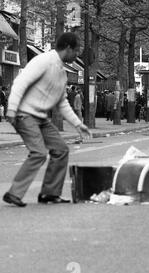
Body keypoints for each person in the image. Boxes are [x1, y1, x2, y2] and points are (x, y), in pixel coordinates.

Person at [3, 32, 91, 208]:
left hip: (41, 118)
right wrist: (12, 109)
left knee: (61, 150)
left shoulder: (61, 72)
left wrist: (78, 124)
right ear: (68, 48)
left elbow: (62, 102)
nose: (77, 55)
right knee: (39, 152)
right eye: (76, 51)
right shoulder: (44, 61)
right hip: (24, 113)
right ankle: (14, 193)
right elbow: (20, 82)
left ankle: (50, 193)